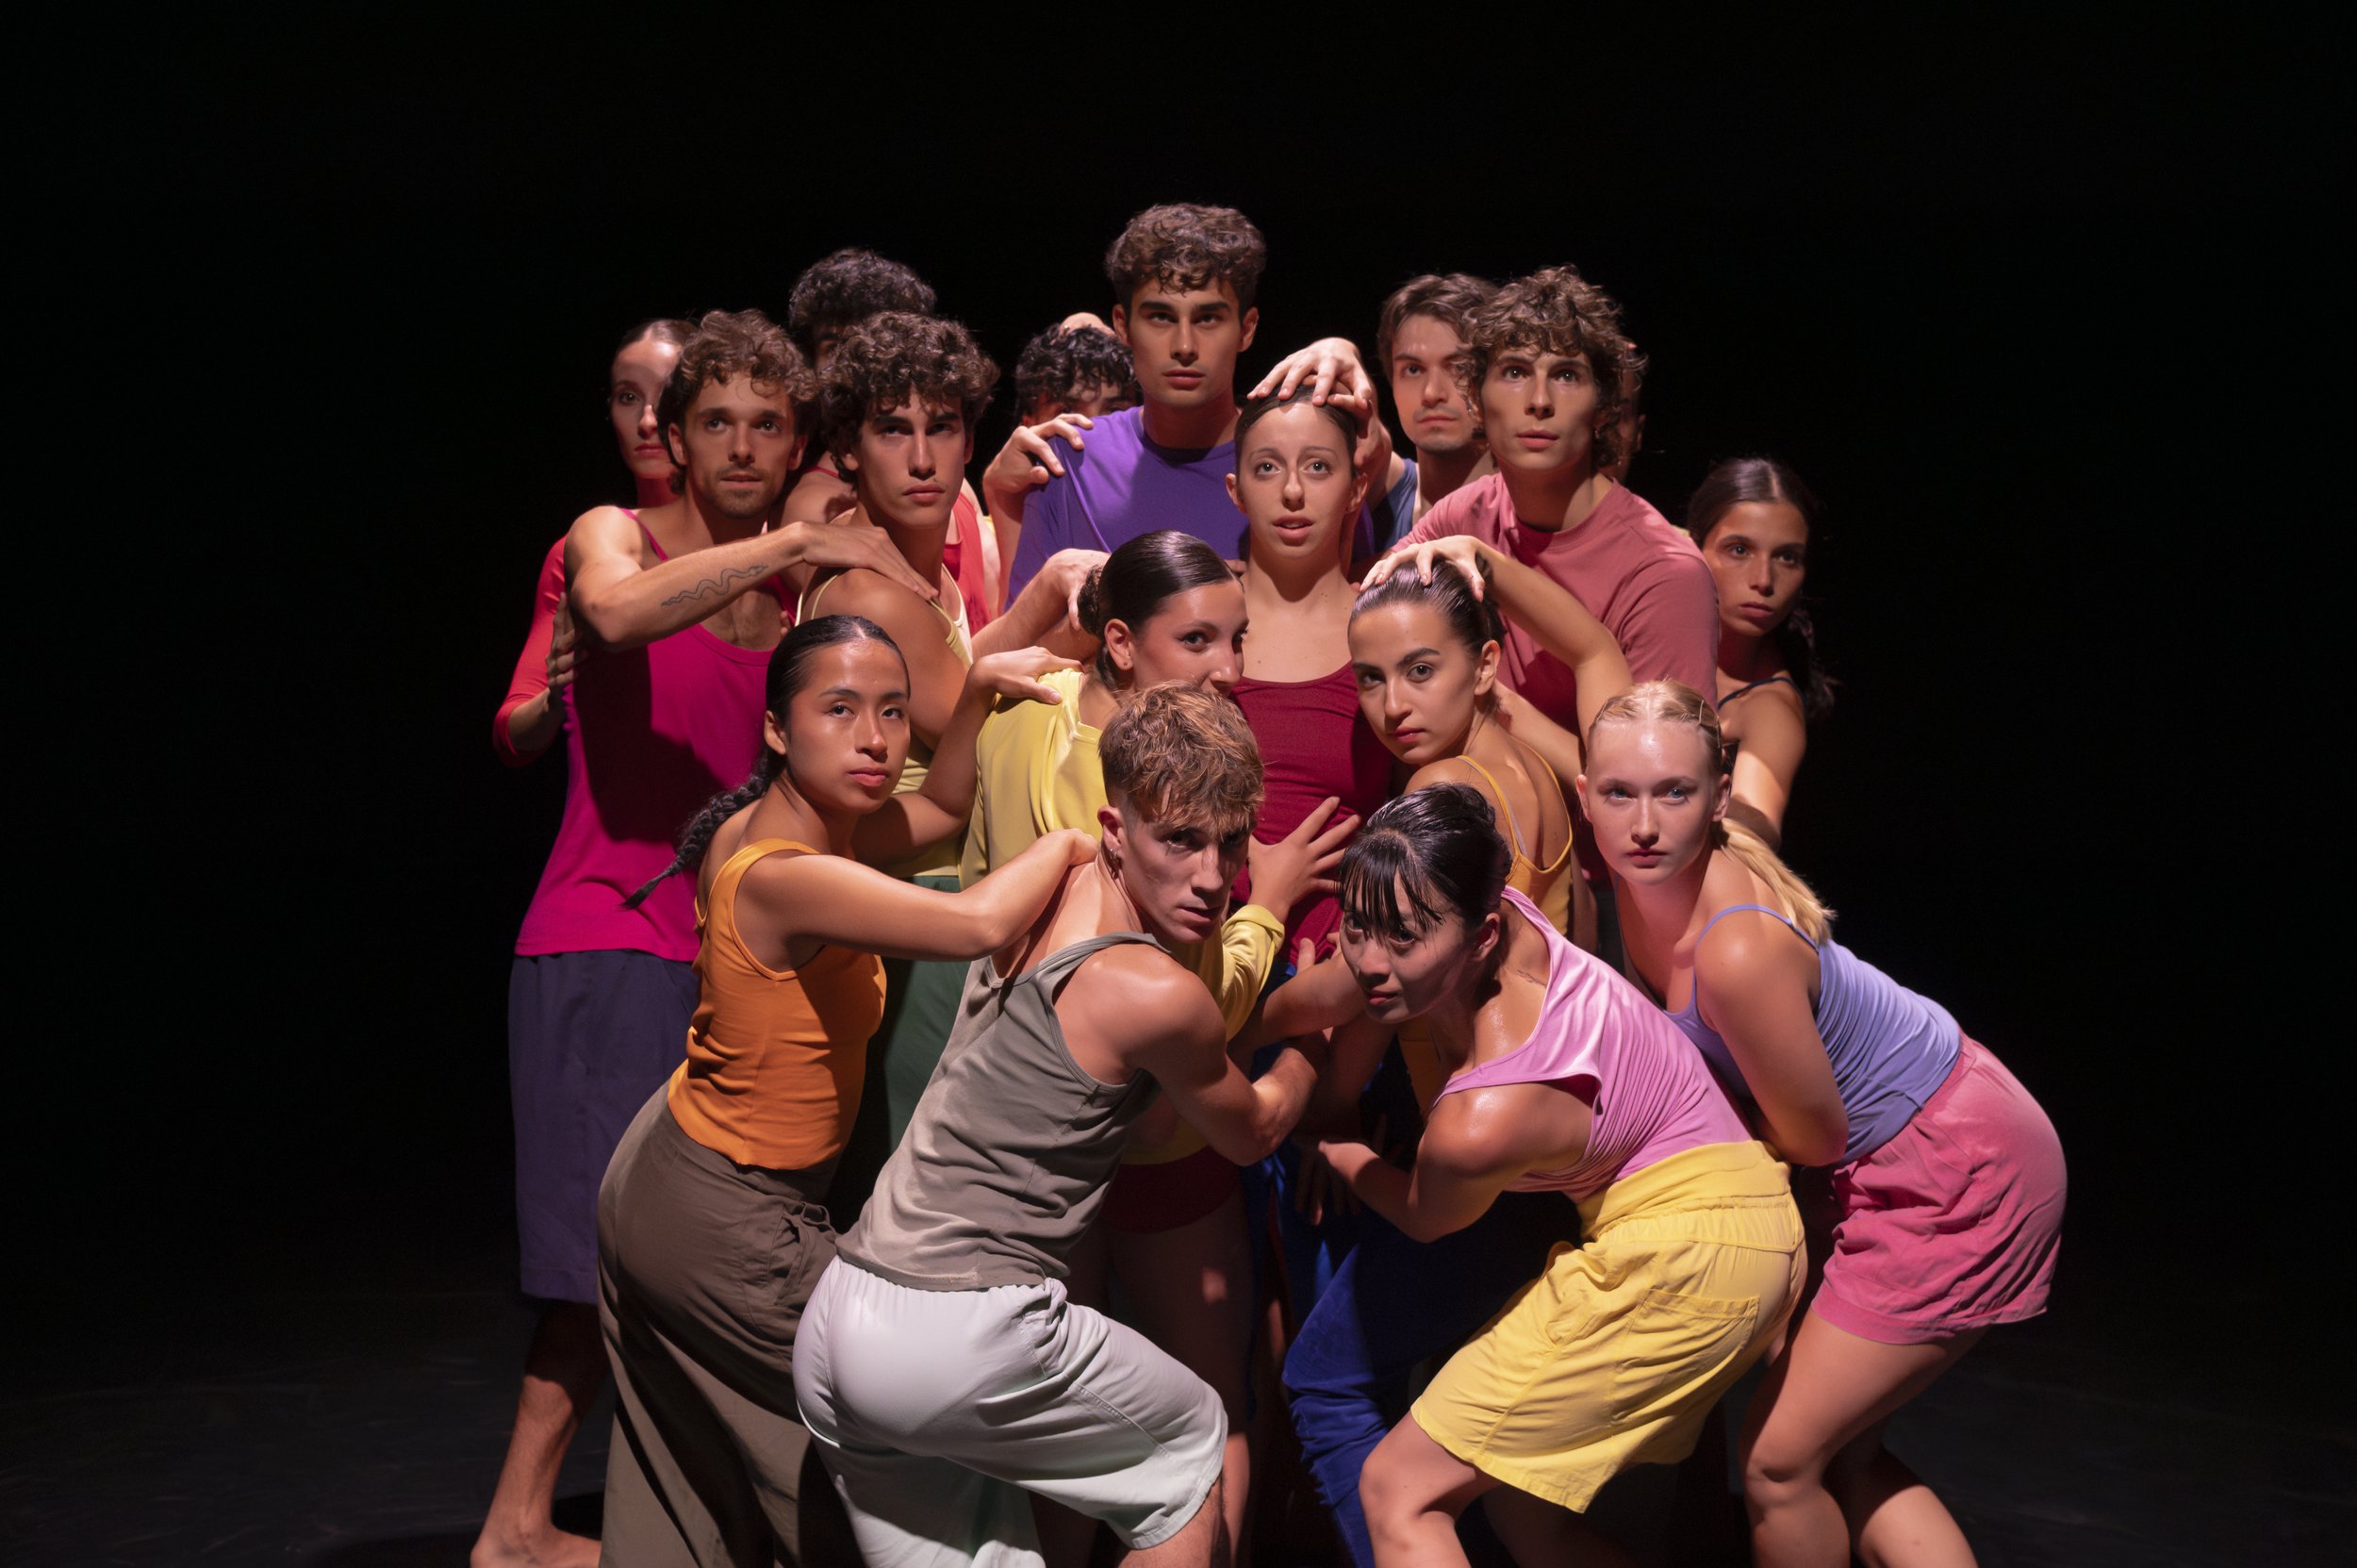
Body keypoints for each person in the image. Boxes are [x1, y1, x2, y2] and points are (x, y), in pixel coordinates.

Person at [480, 309, 933, 1568]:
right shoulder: (612, 537)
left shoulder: (800, 597)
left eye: (767, 425)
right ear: (670, 437)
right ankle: (517, 1522)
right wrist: (797, 532)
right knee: (592, 1255)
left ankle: (686, 1518)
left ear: (797, 440)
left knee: (712, 1254)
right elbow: (613, 620)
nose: (741, 445)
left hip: (745, 948)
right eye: (716, 421)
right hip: (608, 934)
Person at [599, 612, 1094, 1568]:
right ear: (779, 727)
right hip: (723, 1214)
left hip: (672, 1173)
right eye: (840, 709)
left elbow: (943, 811)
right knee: (879, 1468)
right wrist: (1080, 842)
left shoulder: (808, 827)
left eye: (894, 712)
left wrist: (980, 686)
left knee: (695, 1483)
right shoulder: (786, 874)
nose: (874, 738)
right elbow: (976, 921)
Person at [795, 685, 1331, 1567]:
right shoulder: (1155, 991)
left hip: (843, 1321)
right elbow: (1255, 1130)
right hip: (955, 1325)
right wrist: (1310, 1037)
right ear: (1118, 830)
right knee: (1191, 1442)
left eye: (1230, 843)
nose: (1211, 875)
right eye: (1179, 840)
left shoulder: (1050, 868)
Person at [1584, 681, 2065, 1568]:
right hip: (1912, 1142)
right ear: (1585, 793)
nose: (1644, 823)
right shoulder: (1642, 893)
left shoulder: (1733, 944)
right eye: (1620, 793)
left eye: (1675, 793)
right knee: (1839, 1450)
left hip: (1953, 1158)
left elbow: (1813, 1138)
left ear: (1720, 796)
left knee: (1776, 1459)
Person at [960, 527, 1355, 1560]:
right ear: (1123, 644)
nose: (1232, 668)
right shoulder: (1156, 786)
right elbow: (1179, 1007)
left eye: (1239, 637)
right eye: (1201, 641)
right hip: (1155, 1133)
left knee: (1051, 1427)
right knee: (1210, 1401)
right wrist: (1265, 905)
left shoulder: (1014, 722)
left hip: (1031, 1143)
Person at [1309, 785, 1804, 1567]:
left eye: (1402, 937)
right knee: (1523, 1512)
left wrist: (1343, 1153)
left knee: (1399, 1488)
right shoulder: (1501, 911)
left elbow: (1423, 1214)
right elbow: (1353, 979)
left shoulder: (1484, 1112)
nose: (1370, 961)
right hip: (1748, 1221)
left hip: (1681, 1259)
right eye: (1357, 926)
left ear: (1481, 934)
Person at [794, 310, 1109, 1221]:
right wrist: (1056, 605)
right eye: (895, 430)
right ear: (849, 450)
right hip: (911, 909)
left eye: (943, 428)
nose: (924, 458)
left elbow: (965, 686)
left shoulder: (916, 570)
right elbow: (970, 702)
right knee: (918, 1192)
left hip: (934, 896)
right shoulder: (868, 587)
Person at [1003, 205, 1393, 601]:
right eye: (1160, 317)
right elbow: (1020, 652)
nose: (1184, 347)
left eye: (1207, 319)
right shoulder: (1070, 459)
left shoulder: (1306, 465)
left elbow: (1346, 619)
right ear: (1122, 325)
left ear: (1247, 328)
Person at [493, 317, 693, 767]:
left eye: (668, 396)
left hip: (755, 835)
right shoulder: (582, 551)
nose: (647, 420)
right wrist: (555, 696)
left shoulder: (767, 547)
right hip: (615, 830)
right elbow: (512, 736)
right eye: (628, 397)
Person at [777, 250, 1001, 624]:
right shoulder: (812, 507)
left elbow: (981, 623)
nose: (865, 362)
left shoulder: (954, 486)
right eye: (836, 349)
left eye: (881, 342)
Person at [1685, 457, 1834, 849]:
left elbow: (1758, 829)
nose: (1764, 580)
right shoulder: (1646, 628)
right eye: (1739, 549)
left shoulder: (1770, 707)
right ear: (1693, 547)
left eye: (1787, 557)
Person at [1365, 274, 1498, 556]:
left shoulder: (1533, 510)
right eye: (1413, 369)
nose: (1431, 393)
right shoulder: (1383, 492)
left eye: (1458, 367)